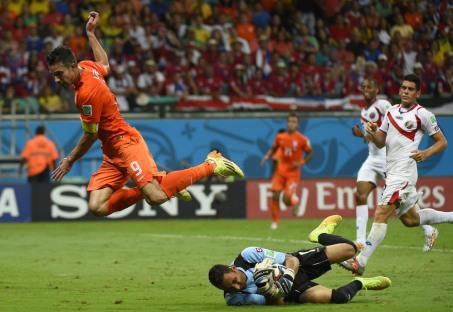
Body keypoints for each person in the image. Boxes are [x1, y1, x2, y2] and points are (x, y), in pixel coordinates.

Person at [46, 11, 244, 217]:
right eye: (53, 76)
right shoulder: (86, 67)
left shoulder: (86, 94)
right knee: (97, 206)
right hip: (112, 153)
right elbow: (104, 64)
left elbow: (90, 135)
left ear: (71, 66)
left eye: (59, 74)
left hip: (125, 144)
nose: (57, 80)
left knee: (156, 197)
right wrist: (91, 34)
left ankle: (212, 164)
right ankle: (167, 183)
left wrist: (69, 160)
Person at [341, 74, 453, 276]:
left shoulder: (423, 114)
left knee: (381, 212)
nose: (405, 92)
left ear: (418, 93)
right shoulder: (391, 111)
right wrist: (373, 131)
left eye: (410, 89)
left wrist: (425, 153)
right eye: (403, 88)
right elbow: (380, 142)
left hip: (405, 172)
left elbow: (442, 141)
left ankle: (361, 261)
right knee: (411, 219)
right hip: (391, 172)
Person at [208, 215, 391, 306]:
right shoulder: (233, 298)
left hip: (297, 265)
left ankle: (319, 234)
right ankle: (360, 282)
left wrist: (286, 276)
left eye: (234, 282)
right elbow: (277, 303)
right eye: (230, 288)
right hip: (291, 292)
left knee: (349, 249)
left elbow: (290, 259)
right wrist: (271, 288)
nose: (237, 287)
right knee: (340, 298)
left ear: (232, 269)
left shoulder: (247, 256)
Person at [352, 78, 438, 251]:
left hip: (388, 158)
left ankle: (429, 229)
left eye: (370, 86)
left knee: (403, 206)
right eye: (363, 87)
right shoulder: (363, 110)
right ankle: (360, 240)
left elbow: (394, 124)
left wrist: (374, 133)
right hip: (372, 157)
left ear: (377, 89)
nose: (366, 90)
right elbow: (375, 137)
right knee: (360, 194)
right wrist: (363, 134)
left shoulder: (383, 105)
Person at [260, 113, 313, 229]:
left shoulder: (302, 139)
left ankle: (294, 200)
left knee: (286, 200)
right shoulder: (280, 137)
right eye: (290, 121)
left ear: (297, 124)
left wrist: (301, 162)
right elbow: (274, 148)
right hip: (280, 171)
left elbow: (311, 153)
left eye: (294, 122)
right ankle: (275, 222)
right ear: (287, 123)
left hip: (293, 173)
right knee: (275, 195)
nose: (291, 124)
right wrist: (267, 156)